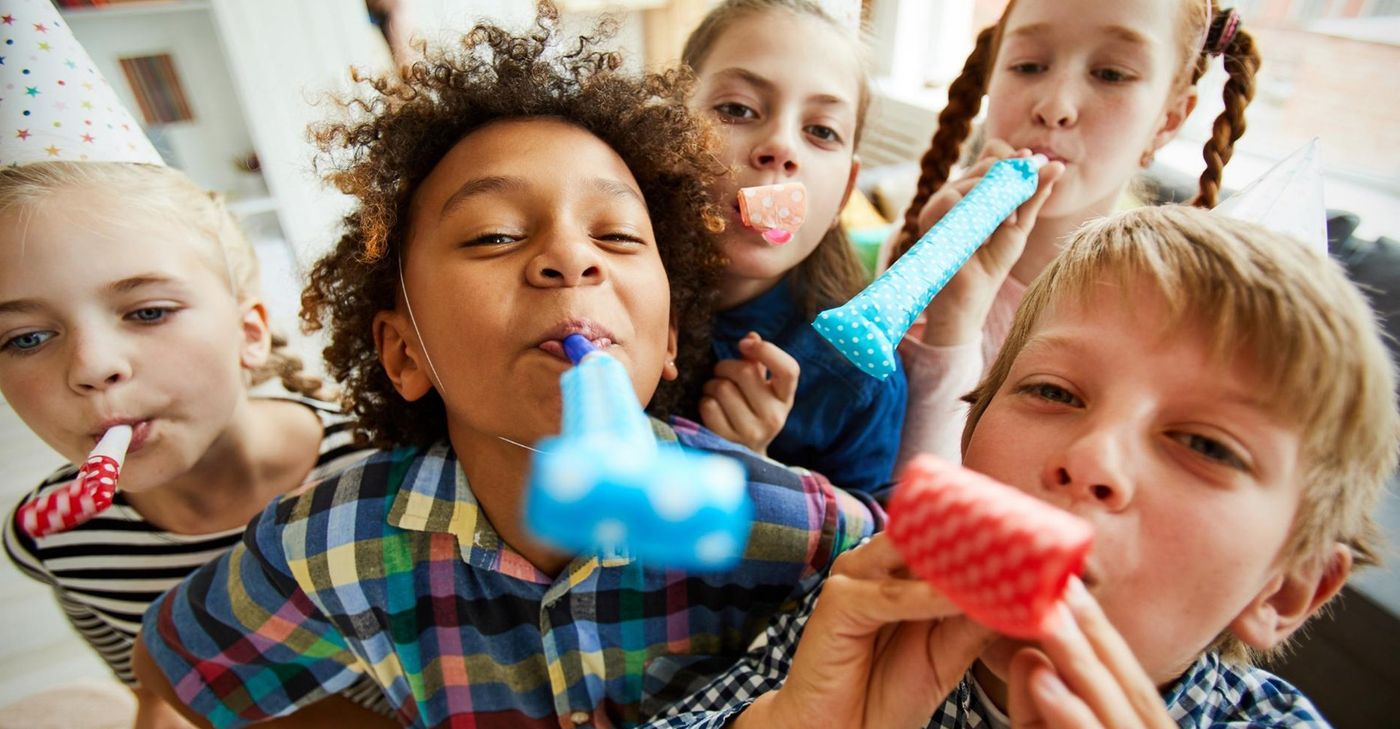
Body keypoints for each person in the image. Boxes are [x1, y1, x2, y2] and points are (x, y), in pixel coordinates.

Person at [132, 6, 880, 727]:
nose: (570, 257)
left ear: (672, 336)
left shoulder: (794, 527)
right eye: (493, 235)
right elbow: (175, 671)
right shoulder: (326, 543)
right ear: (403, 351)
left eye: (616, 234)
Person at [641, 204, 1398, 728]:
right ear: (967, 443)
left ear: (1288, 585)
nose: (1090, 458)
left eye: (1205, 444)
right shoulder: (853, 615)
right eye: (1053, 391)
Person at [0, 161, 388, 727]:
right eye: (27, 337)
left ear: (249, 332)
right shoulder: (56, 543)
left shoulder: (389, 467)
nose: (93, 366)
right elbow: (159, 701)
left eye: (148, 311)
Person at [893, 0, 1259, 464]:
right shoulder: (920, 248)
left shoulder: (1163, 317)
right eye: (1027, 66)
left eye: (1111, 74)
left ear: (1168, 120)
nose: (1054, 107)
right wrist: (953, 317)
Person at [681, 0, 907, 492]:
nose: (781, 147)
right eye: (737, 109)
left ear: (844, 193)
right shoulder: (595, 282)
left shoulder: (859, 375)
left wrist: (761, 471)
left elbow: (857, 554)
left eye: (821, 131)